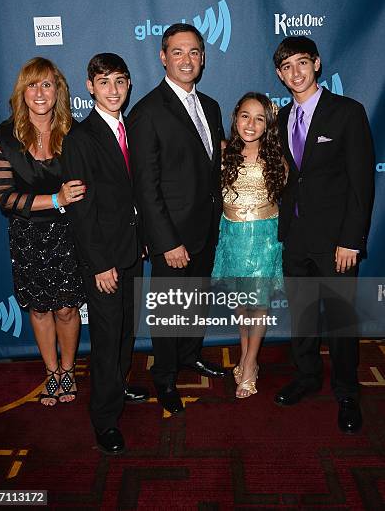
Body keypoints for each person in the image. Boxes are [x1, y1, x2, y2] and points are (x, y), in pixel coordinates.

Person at [273, 36, 375, 433]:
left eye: (302, 63)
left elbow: (361, 183)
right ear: (279, 75)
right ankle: (307, 376)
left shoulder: (347, 113)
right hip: (294, 238)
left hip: (337, 243)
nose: (295, 73)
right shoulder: (281, 119)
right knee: (301, 316)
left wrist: (352, 239)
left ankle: (347, 392)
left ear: (317, 63)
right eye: (286, 67)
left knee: (340, 321)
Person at [127, 23, 227, 416]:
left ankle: (190, 355)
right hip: (173, 236)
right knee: (170, 309)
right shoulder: (148, 112)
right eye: (179, 52)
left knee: (196, 301)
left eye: (195, 52)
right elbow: (145, 188)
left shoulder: (213, 106)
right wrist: (166, 240)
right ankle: (165, 377)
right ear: (163, 57)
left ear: (203, 58)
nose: (188, 60)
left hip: (207, 228)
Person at [61, 53, 148, 456]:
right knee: (108, 335)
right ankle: (104, 419)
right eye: (104, 82)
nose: (113, 90)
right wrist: (100, 264)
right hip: (105, 260)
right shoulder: (81, 138)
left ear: (128, 85)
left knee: (127, 329)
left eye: (120, 81)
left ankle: (120, 383)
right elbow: (81, 210)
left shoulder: (129, 128)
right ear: (90, 87)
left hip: (131, 250)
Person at [0, 57, 86, 407]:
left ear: (58, 90)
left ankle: (68, 369)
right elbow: (4, 198)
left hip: (68, 235)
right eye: (33, 84)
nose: (40, 92)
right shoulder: (3, 136)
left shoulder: (75, 132)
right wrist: (55, 198)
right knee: (41, 310)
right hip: (27, 236)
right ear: (22, 92)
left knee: (66, 309)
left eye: (47, 84)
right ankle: (51, 373)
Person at [212, 93, 286, 398]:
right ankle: (244, 355)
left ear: (268, 124)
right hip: (232, 236)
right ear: (235, 118)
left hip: (265, 238)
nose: (251, 124)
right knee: (241, 305)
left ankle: (251, 362)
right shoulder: (222, 152)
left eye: (259, 118)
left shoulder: (277, 158)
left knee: (259, 305)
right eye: (245, 115)